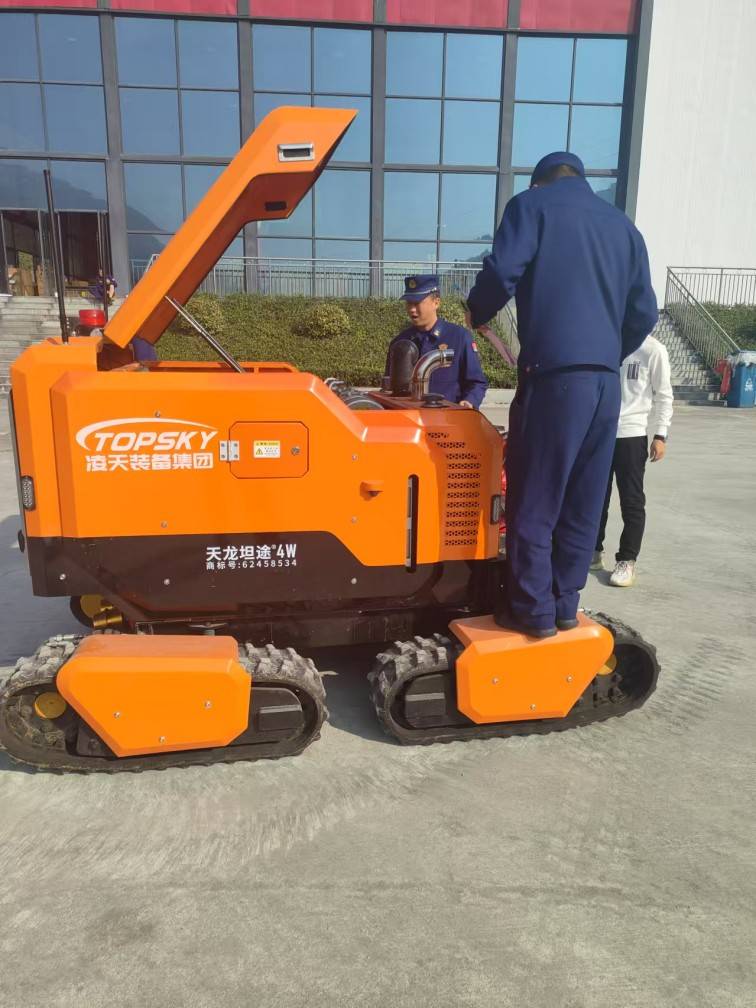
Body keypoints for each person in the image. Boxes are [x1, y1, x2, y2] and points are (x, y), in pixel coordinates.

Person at [465, 151, 658, 638]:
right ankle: (565, 604)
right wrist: (605, 353)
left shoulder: (532, 206)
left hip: (553, 380)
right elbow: (645, 313)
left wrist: (477, 310)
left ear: (538, 183)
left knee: (535, 495)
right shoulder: (624, 227)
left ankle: (532, 611)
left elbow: (501, 272)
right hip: (605, 385)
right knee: (582, 499)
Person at [593, 333, 673, 587]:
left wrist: (660, 435)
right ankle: (593, 551)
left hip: (632, 434)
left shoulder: (653, 350)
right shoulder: (608, 342)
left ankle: (626, 560)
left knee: (631, 501)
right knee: (596, 498)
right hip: (600, 433)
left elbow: (664, 395)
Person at [386, 274, 488, 409]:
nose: (412, 309)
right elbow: (389, 388)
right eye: (409, 303)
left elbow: (477, 382)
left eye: (417, 303)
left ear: (436, 302)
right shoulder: (400, 343)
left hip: (447, 419)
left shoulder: (459, 337)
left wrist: (469, 401)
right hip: (410, 418)